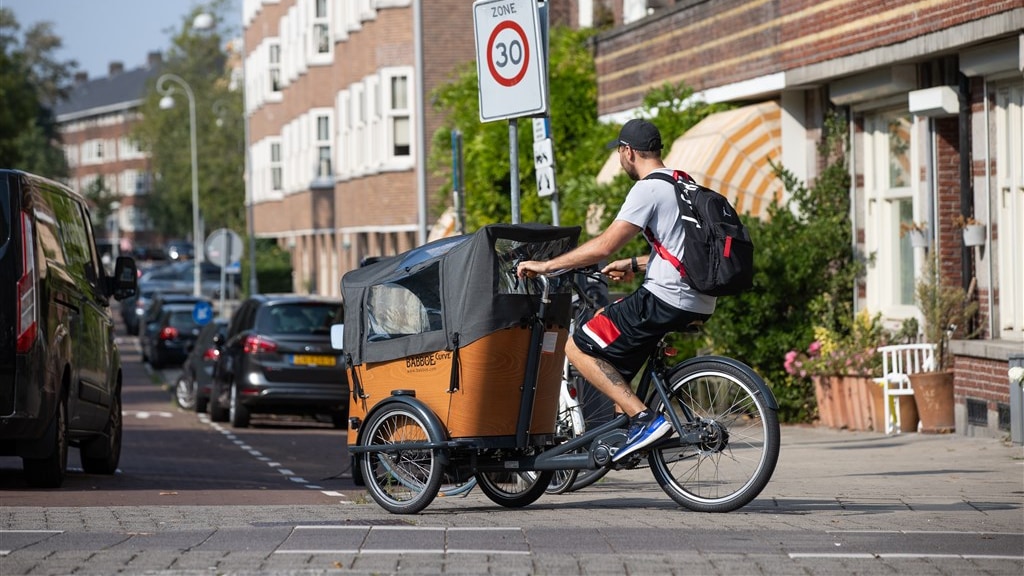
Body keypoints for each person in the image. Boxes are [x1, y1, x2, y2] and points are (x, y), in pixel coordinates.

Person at [516, 118, 716, 462]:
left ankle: (645, 419)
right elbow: (685, 251)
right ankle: (629, 436)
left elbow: (604, 245)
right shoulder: (685, 185)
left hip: (664, 298)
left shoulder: (647, 188)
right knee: (610, 352)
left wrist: (547, 266)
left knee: (578, 346)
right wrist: (635, 264)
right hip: (700, 299)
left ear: (627, 152)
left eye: (620, 153)